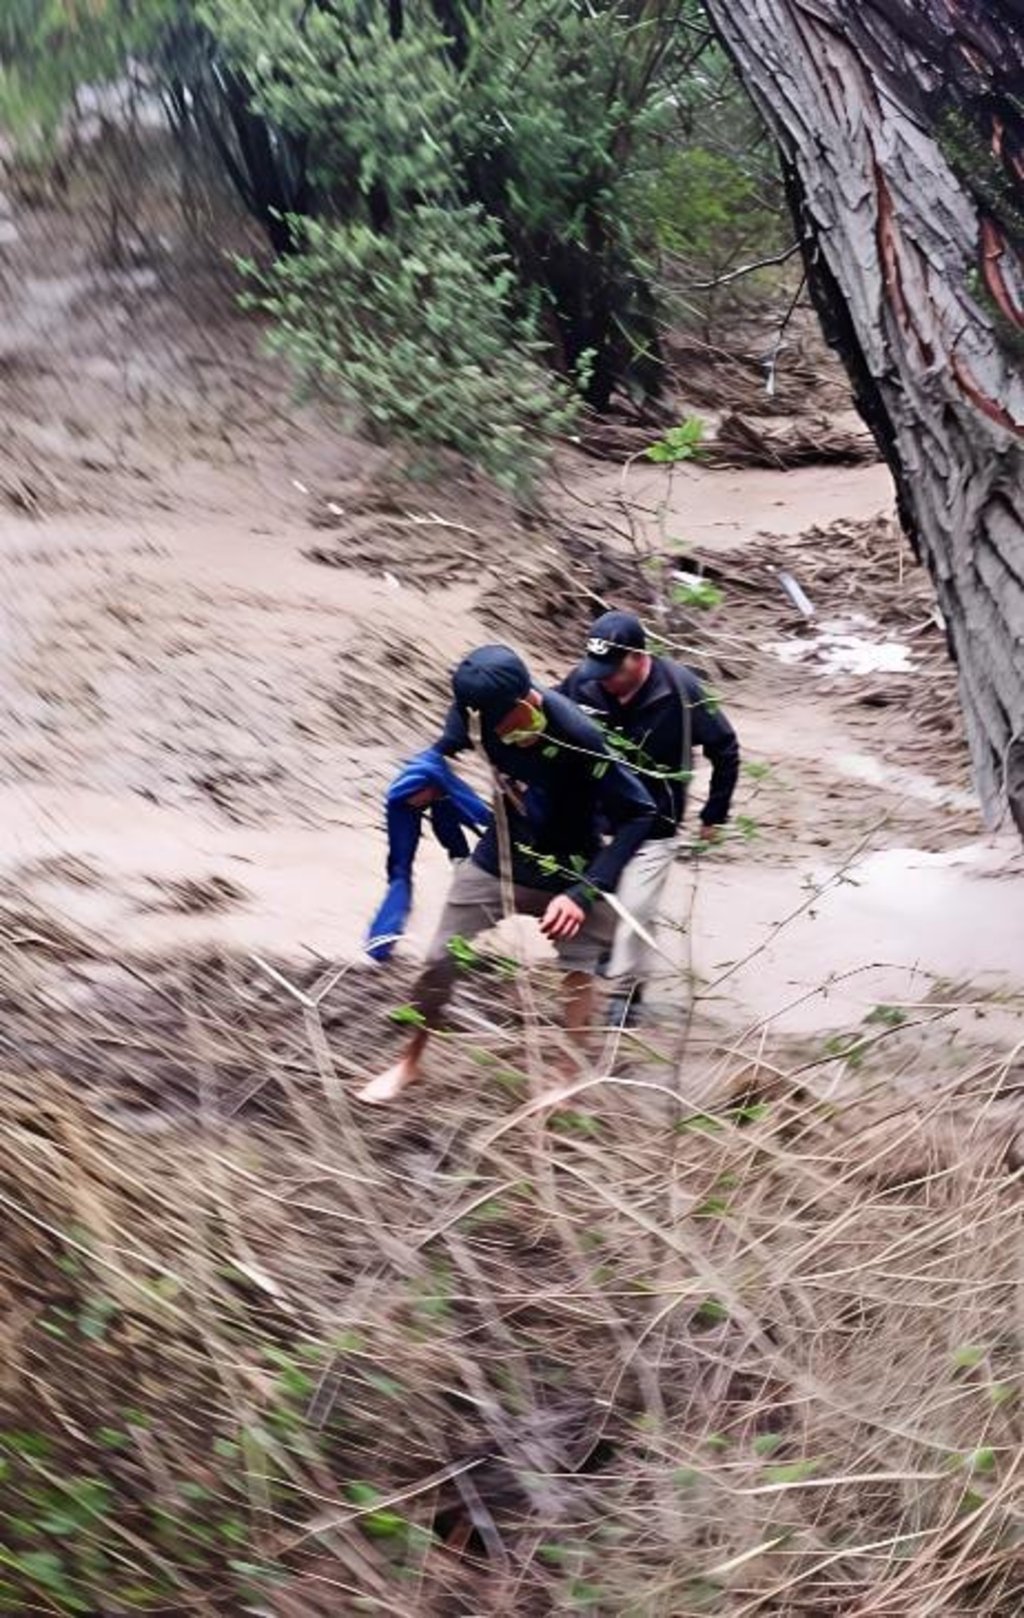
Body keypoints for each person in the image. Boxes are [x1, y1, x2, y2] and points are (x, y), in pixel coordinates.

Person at [358, 644, 656, 1105]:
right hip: (499, 857)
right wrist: (425, 784)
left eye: (497, 724)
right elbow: (442, 752)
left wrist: (582, 893)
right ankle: (409, 1063)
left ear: (525, 703)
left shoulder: (579, 739)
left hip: (570, 867)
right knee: (439, 960)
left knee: (580, 974)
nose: (486, 733)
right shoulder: (477, 715)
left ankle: (566, 1078)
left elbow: (640, 813)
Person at [559, 609, 740, 1025]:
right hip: (595, 818)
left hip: (655, 825)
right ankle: (610, 953)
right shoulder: (585, 681)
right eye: (596, 667)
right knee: (599, 901)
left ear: (639, 658)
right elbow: (548, 716)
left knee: (635, 909)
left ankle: (628, 991)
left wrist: (715, 813)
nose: (602, 678)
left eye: (612, 669)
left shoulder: (681, 691)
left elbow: (725, 748)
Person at [364, 749, 491, 963]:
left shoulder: (441, 782)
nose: (419, 803)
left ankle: (472, 906)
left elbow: (478, 813)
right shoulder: (399, 800)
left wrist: (500, 828)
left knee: (460, 845)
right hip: (403, 802)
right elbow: (397, 863)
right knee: (399, 871)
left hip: (438, 787)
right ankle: (382, 937)